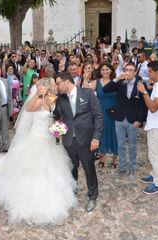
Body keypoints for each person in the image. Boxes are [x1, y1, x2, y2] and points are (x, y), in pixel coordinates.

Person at [0, 78, 76, 224]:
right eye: (53, 86)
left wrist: (58, 128)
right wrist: (37, 95)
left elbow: (58, 117)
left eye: (55, 86)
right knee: (33, 170)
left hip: (51, 141)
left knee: (52, 170)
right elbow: (28, 109)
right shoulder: (39, 101)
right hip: (36, 140)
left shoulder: (56, 100)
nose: (55, 87)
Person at [54, 72, 103, 212]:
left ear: (66, 81)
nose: (57, 87)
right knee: (71, 168)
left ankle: (92, 196)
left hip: (86, 140)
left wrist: (96, 137)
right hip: (69, 140)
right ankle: (72, 193)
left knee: (89, 169)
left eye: (58, 83)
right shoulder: (60, 99)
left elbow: (98, 116)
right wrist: (52, 107)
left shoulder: (87, 94)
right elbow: (58, 117)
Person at [103, 63, 147, 179]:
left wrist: (140, 120)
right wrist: (117, 78)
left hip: (133, 120)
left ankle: (132, 169)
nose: (127, 72)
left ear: (135, 72)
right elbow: (105, 89)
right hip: (120, 118)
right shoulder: (120, 82)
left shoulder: (141, 84)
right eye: (126, 69)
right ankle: (122, 169)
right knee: (121, 145)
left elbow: (144, 105)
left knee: (132, 145)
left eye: (130, 70)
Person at [137, 61, 158, 195]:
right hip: (154, 125)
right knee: (152, 153)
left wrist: (144, 92)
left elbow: (153, 108)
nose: (148, 73)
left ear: (157, 72)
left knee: (154, 155)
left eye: (150, 71)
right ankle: (153, 174)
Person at [94, 62, 118, 168]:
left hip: (113, 112)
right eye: (103, 70)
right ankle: (102, 155)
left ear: (111, 70)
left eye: (107, 69)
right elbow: (88, 92)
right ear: (100, 71)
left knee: (114, 134)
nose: (105, 71)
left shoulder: (116, 82)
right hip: (100, 111)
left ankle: (114, 158)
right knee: (102, 133)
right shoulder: (96, 82)